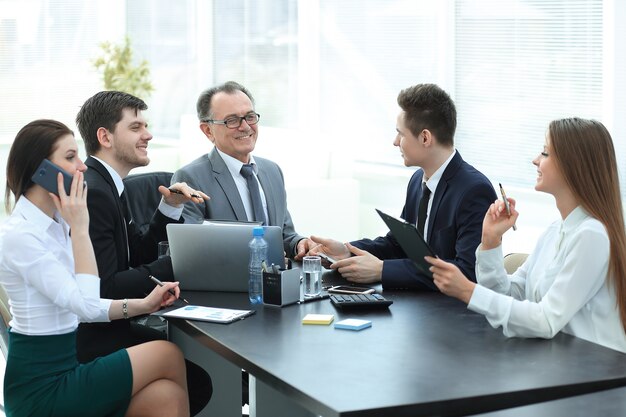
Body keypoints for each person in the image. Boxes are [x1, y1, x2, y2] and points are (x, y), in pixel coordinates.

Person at [0, 119, 189, 417]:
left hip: (69, 364)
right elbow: (86, 303)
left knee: (166, 397)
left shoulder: (57, 224)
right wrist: (80, 227)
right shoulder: (19, 236)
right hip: (39, 387)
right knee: (167, 354)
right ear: (41, 170)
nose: (83, 166)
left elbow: (80, 304)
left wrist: (143, 304)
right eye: (70, 157)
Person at [426, 117, 626, 353]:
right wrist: (490, 241)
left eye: (545, 153)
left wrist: (468, 291)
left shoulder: (592, 236)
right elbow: (511, 295)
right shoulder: (555, 231)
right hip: (558, 360)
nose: (535, 160)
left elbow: (546, 321)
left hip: (596, 374)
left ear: (574, 165)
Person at [74, 91, 212, 415]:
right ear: (105, 136)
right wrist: (178, 263)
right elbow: (104, 288)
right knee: (196, 384)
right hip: (92, 341)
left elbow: (135, 254)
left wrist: (170, 206)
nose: (148, 134)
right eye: (136, 127)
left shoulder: (111, 185)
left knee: (193, 382)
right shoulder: (95, 193)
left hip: (107, 330)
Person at [309, 83, 496, 290]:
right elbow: (399, 245)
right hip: (419, 307)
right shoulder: (418, 180)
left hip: (453, 314)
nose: (395, 142)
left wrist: (382, 270)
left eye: (401, 134)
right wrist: (347, 250)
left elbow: (467, 271)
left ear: (425, 137)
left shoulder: (474, 190)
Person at [171, 81, 311, 260]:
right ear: (208, 130)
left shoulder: (272, 171)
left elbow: (285, 236)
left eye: (250, 117)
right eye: (232, 120)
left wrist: (300, 244)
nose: (245, 127)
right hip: (229, 285)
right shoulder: (192, 178)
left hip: (276, 283)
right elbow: (192, 252)